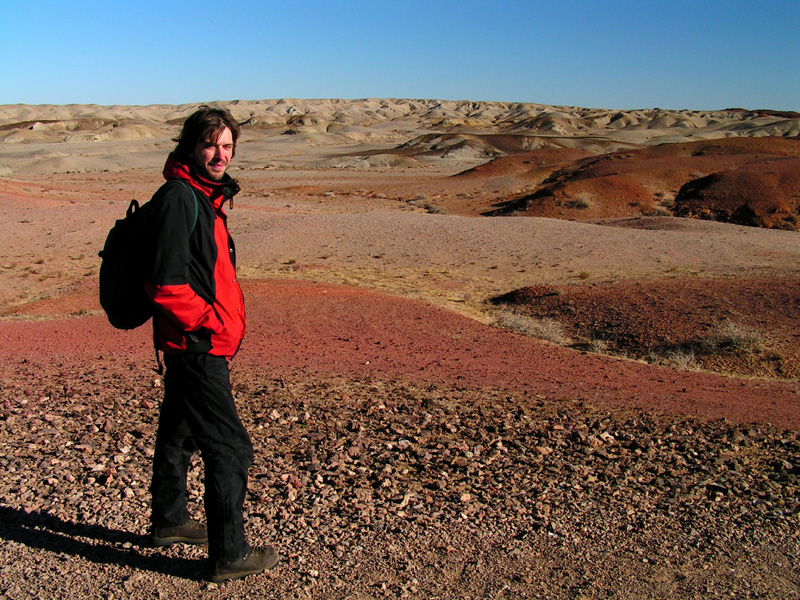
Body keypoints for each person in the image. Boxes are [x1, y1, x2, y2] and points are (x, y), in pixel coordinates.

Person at [143, 106, 278, 582]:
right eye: (210, 145)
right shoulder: (182, 199)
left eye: (227, 146)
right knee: (230, 447)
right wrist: (212, 326)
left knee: (178, 434)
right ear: (190, 147)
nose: (220, 155)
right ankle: (230, 553)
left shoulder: (205, 196)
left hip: (191, 343)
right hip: (199, 346)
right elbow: (165, 285)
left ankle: (170, 520)